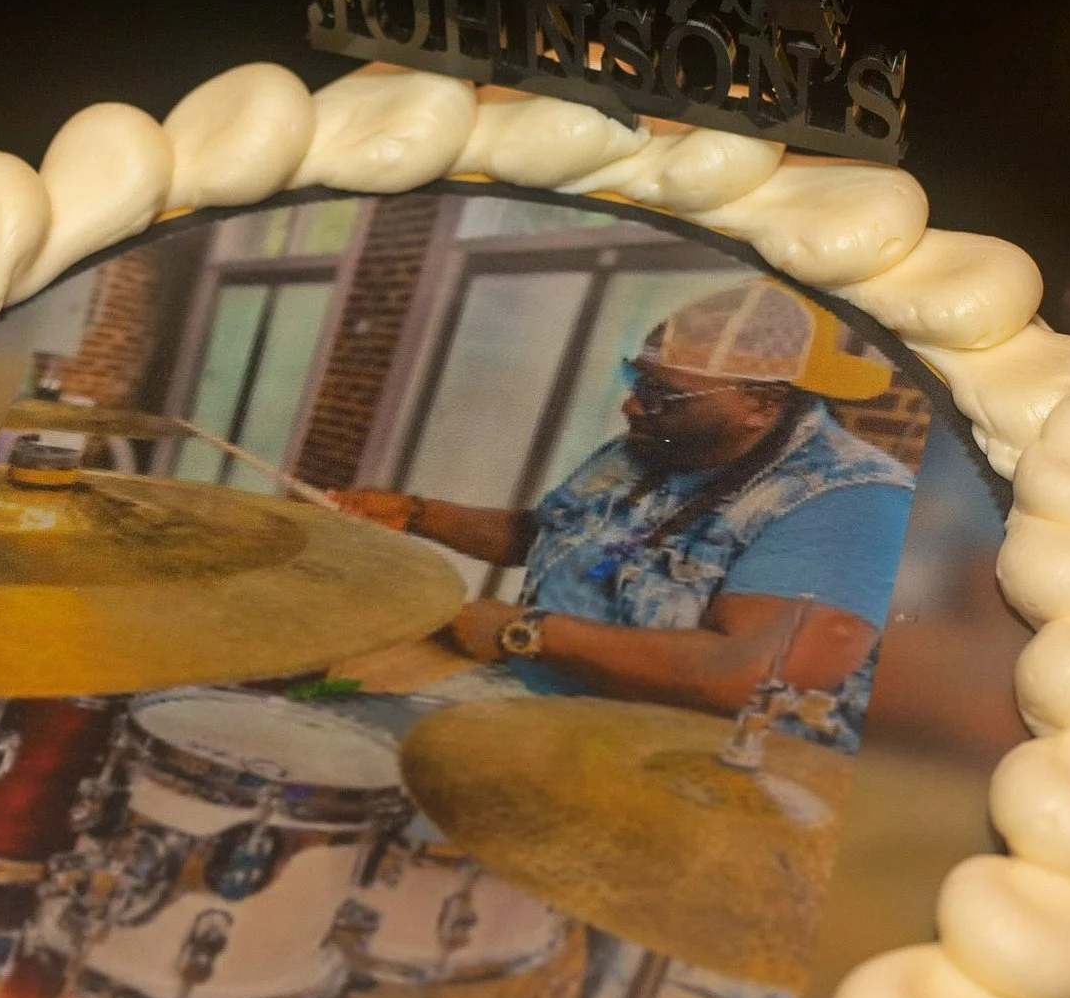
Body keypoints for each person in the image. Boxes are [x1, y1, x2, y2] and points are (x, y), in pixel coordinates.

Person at [333, 279, 916, 752]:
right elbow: (551, 534)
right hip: (545, 705)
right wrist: (415, 513)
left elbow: (749, 672)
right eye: (636, 377)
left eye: (663, 393)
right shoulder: (657, 442)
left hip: (673, 765)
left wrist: (527, 632)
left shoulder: (853, 500)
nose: (632, 403)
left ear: (761, 404)